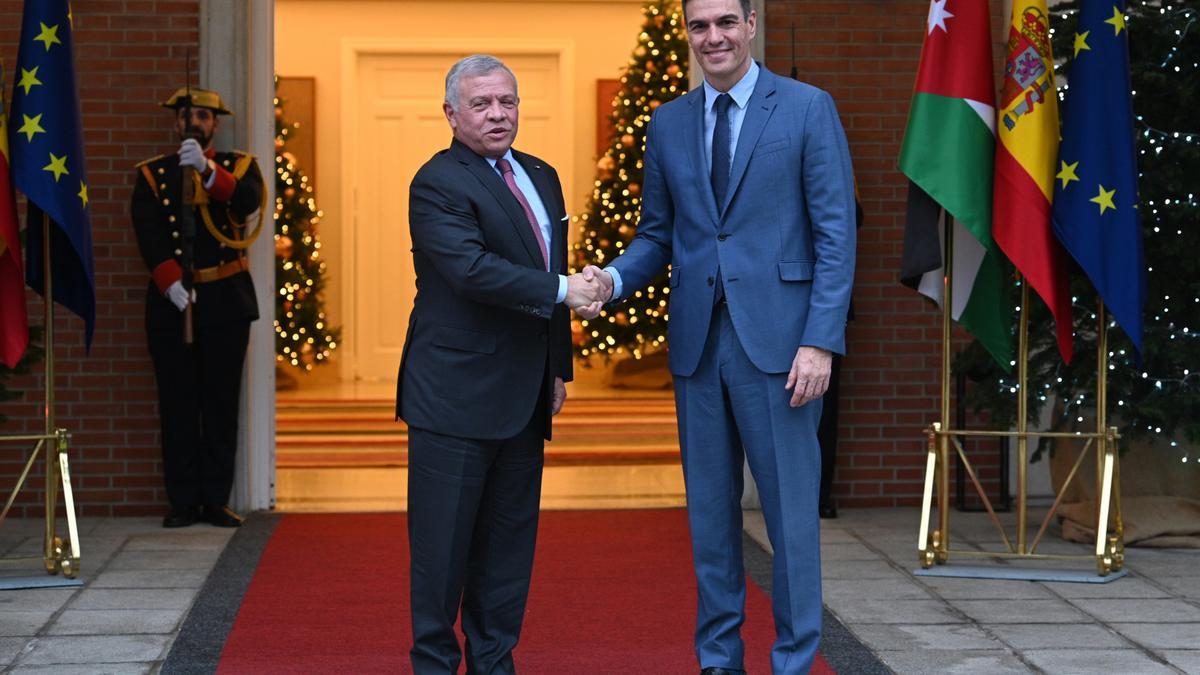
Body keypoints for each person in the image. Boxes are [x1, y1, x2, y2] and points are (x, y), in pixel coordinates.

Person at [581, 0, 857, 671]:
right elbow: (657, 234)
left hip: (784, 350)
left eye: (725, 22)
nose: (714, 37)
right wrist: (613, 280)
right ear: (687, 33)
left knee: (791, 520)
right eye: (699, 26)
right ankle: (718, 660)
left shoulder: (806, 108)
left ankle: (793, 660)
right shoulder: (669, 122)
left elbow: (836, 234)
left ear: (751, 24)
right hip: (699, 348)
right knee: (709, 519)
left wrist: (820, 340)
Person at [396, 55, 605, 674]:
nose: (497, 114)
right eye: (482, 104)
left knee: (508, 552)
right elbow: (470, 270)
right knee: (442, 556)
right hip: (454, 397)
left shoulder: (540, 175)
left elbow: (544, 267)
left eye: (507, 102)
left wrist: (558, 369)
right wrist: (568, 290)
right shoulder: (437, 181)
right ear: (452, 115)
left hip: (523, 395)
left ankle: (495, 665)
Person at [131, 87, 264, 530]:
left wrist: (206, 169)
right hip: (174, 304)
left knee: (221, 403)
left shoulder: (238, 166)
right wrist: (169, 282)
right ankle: (183, 500)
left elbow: (247, 203)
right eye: (187, 114)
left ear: (215, 124)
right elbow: (147, 230)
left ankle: (216, 499)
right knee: (178, 402)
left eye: (203, 115)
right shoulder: (154, 174)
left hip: (225, 301)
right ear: (176, 123)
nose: (195, 121)